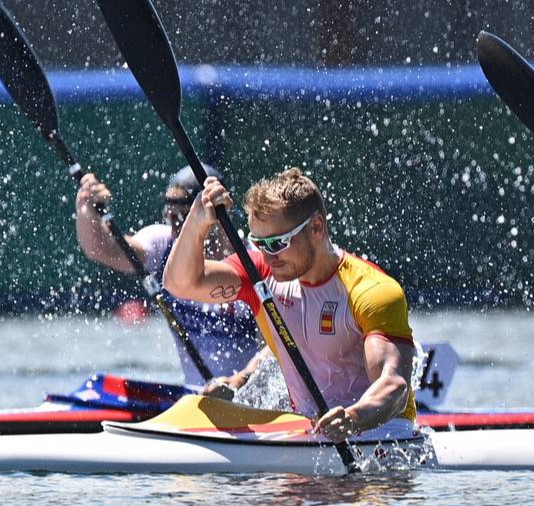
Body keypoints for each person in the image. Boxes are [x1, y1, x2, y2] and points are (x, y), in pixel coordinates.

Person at [162, 167, 417, 442]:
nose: (268, 255)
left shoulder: (371, 290)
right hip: (310, 435)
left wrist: (353, 418)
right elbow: (180, 284)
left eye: (278, 243)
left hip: (385, 439)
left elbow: (395, 386)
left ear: (316, 228)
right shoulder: (259, 272)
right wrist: (197, 220)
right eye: (259, 243)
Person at [75, 164, 262, 385]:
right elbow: (102, 249)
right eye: (168, 215)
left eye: (181, 216)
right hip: (199, 395)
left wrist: (239, 381)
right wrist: (87, 208)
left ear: (218, 213)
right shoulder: (164, 246)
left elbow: (275, 349)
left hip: (252, 395)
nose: (173, 226)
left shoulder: (254, 262)